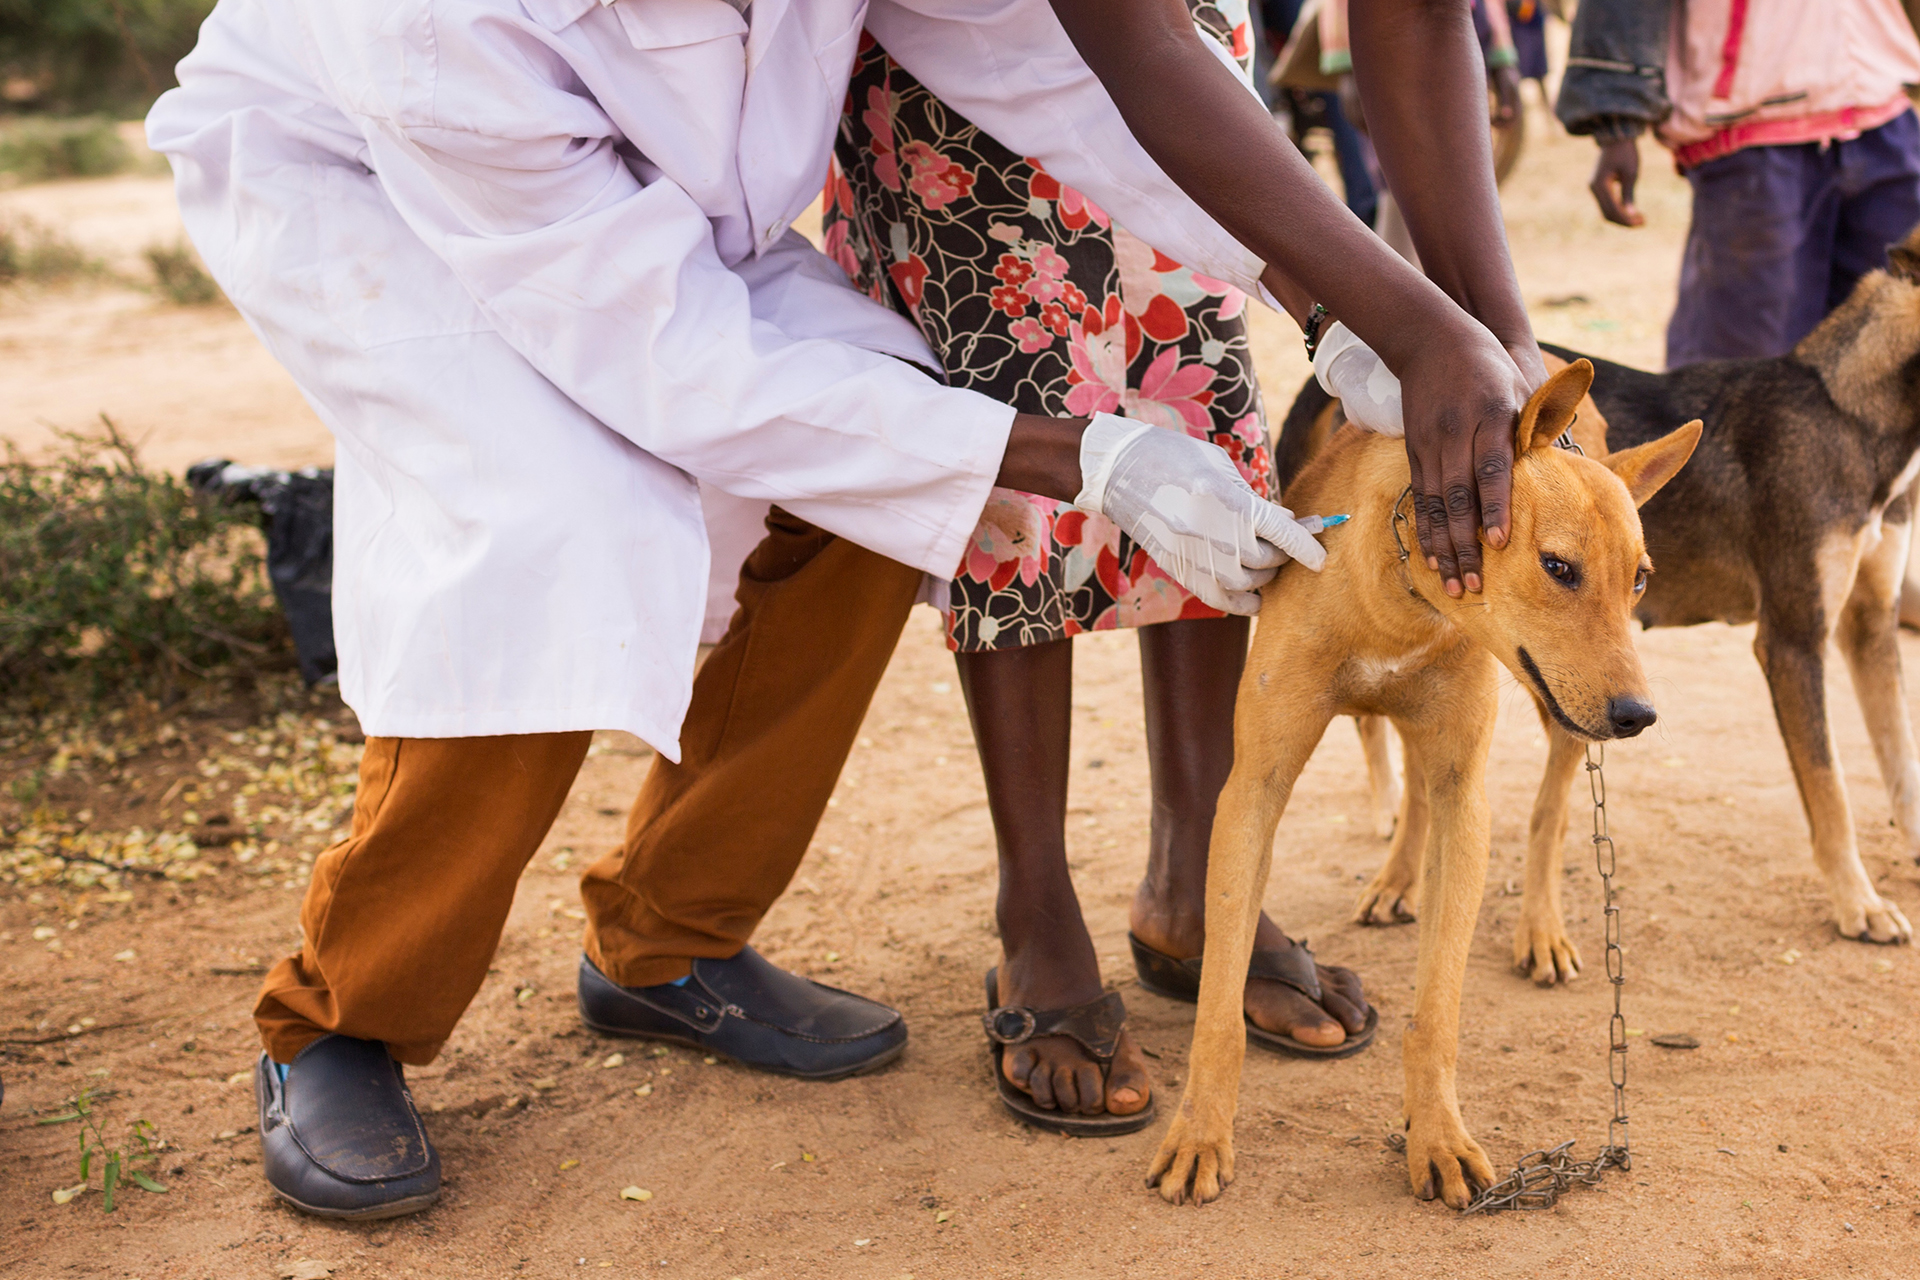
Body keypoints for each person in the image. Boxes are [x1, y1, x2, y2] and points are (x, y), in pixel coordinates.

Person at [148, 0, 1541, 1219]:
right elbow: (664, 357)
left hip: (679, 218)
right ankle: (343, 1015)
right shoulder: (432, 29)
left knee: (877, 479)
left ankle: (664, 934)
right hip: (389, 199)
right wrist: (1083, 455)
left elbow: (1055, 81)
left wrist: (1342, 303)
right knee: (556, 531)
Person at [822, 1, 1371, 1135]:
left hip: (1184, 45)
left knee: (1200, 403)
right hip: (961, 52)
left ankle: (1194, 874)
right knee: (1017, 451)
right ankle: (1036, 910)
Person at [1556, 0, 1920, 367]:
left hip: (1882, 107)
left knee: (1892, 345)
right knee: (1745, 354)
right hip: (1752, 131)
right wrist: (1616, 120)